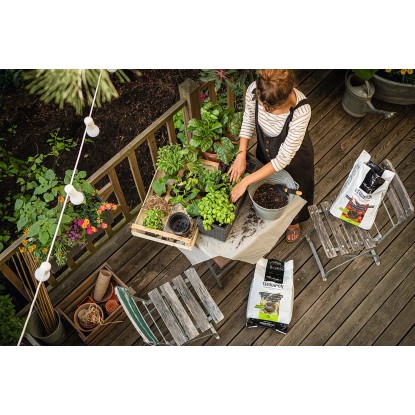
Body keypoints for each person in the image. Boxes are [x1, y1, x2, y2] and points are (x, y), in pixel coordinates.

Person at [228, 69, 314, 243]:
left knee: (297, 192)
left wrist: (245, 181)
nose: (265, 111)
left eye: (271, 109)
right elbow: (248, 120)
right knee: (268, 185)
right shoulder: (253, 91)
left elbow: (282, 159)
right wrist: (241, 154)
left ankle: (294, 222)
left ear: (289, 95)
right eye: (262, 106)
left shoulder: (301, 111)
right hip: (266, 147)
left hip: (294, 159)